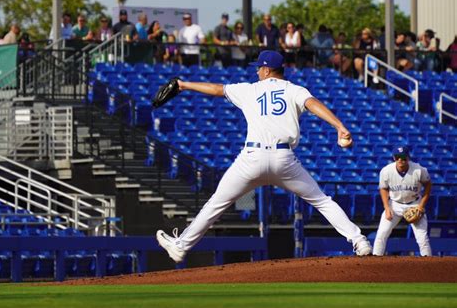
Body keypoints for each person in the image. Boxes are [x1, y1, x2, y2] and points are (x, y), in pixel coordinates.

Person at [156, 49, 372, 263]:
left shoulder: (249, 90)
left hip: (252, 158)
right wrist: (339, 126)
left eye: (259, 68)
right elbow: (313, 104)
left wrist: (184, 85)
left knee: (216, 203)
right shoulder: (294, 89)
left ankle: (181, 246)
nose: (257, 71)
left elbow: (216, 89)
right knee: (322, 201)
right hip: (283, 159)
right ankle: (359, 241)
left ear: (268, 70)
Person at [372, 145, 432, 257]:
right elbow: (383, 188)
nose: (400, 160)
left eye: (403, 157)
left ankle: (429, 264)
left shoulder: (419, 170)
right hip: (394, 204)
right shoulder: (386, 171)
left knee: (422, 237)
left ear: (408, 158)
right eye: (398, 157)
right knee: (381, 234)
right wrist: (386, 207)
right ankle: (375, 260)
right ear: (394, 158)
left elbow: (428, 185)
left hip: (414, 204)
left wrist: (421, 206)